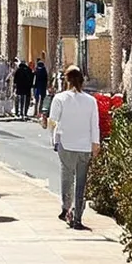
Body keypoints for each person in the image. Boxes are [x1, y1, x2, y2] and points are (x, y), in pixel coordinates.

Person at [49, 66, 101, 231]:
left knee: (67, 178)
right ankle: (77, 216)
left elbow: (53, 121)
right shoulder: (91, 101)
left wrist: (53, 137)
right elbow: (95, 124)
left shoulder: (60, 98)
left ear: (66, 80)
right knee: (81, 182)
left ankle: (66, 208)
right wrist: (95, 143)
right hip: (84, 146)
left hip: (66, 144)